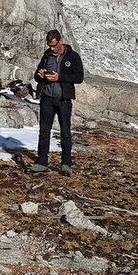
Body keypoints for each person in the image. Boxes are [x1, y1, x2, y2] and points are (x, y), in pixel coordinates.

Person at [31, 29, 84, 176]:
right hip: (47, 98)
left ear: (60, 41)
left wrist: (59, 77)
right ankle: (42, 162)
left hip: (63, 100)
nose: (52, 49)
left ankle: (66, 163)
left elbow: (79, 77)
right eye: (50, 46)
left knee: (65, 132)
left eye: (54, 46)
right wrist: (40, 75)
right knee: (44, 131)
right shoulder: (47, 55)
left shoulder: (72, 57)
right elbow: (37, 75)